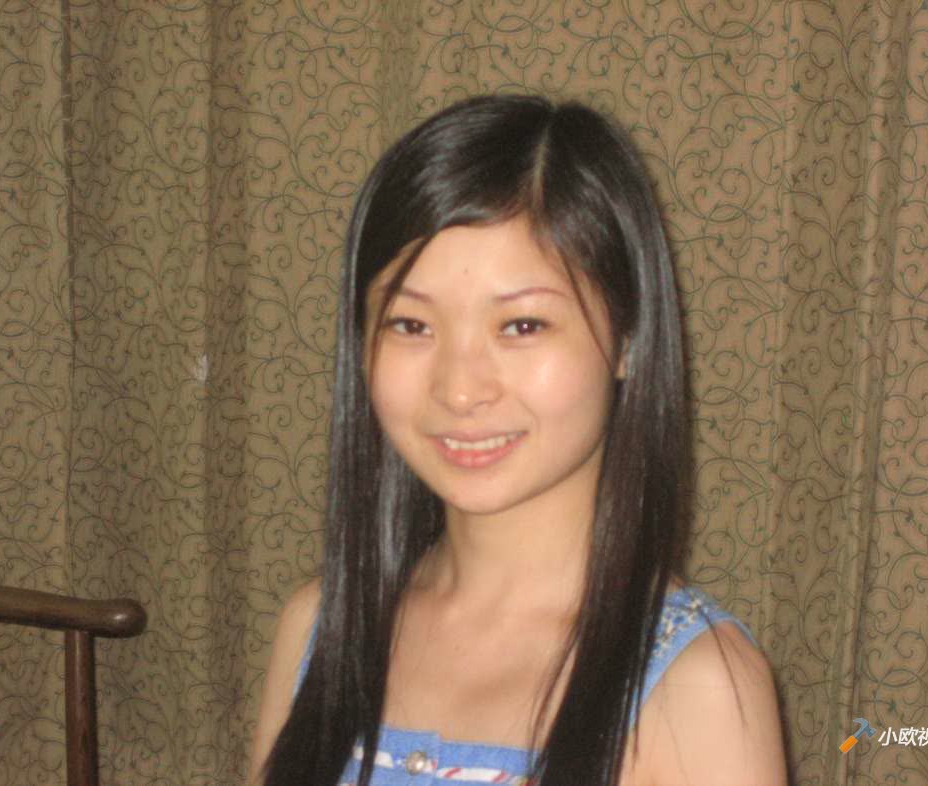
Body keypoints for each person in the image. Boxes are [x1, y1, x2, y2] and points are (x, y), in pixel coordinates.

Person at [250, 94, 788, 786]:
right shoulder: (318, 631)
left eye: (522, 326)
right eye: (411, 325)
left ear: (628, 336)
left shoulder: (699, 687)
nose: (460, 389)